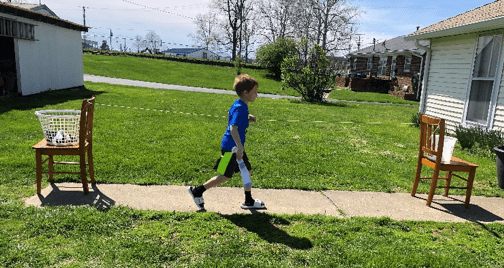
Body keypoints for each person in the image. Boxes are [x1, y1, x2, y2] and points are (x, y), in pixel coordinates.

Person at [188, 74, 265, 210]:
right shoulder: (240, 107)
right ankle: (197, 191)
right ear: (246, 93)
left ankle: (249, 201)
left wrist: (247, 118)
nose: (256, 95)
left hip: (231, 146)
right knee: (225, 176)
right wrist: (240, 148)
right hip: (232, 148)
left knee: (246, 171)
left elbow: (236, 120)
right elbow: (233, 128)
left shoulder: (239, 104)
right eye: (255, 93)